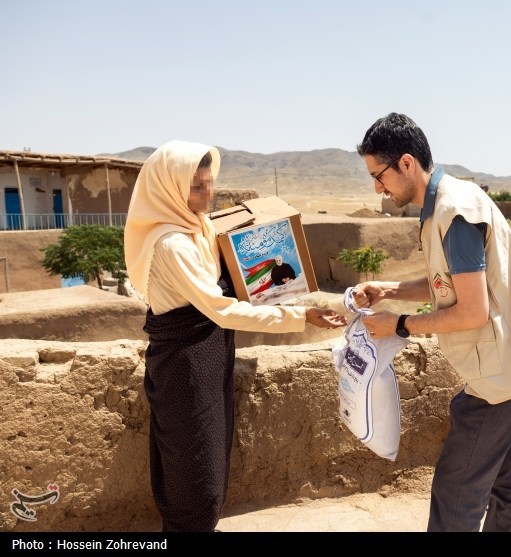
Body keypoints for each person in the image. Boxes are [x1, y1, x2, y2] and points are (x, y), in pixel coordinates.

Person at [124, 140, 346, 532]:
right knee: (194, 475)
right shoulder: (173, 244)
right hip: (185, 368)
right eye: (196, 187)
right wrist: (301, 316)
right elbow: (221, 308)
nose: (207, 195)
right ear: (169, 189)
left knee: (208, 462)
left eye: (209, 184)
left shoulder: (200, 229)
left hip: (209, 357)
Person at [353, 113, 511, 532]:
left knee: (455, 492)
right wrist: (388, 289)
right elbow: (448, 283)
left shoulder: (455, 211)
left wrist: (400, 324)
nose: (378, 188)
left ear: (406, 163)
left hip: (497, 379)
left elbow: (471, 312)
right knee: (506, 479)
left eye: (380, 176)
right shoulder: (442, 205)